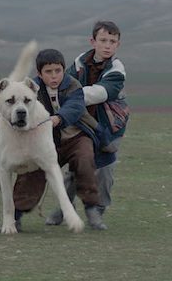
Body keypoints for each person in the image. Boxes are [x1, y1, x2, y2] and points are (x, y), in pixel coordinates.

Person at [13, 48, 116, 231]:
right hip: (45, 141)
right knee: (31, 171)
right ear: (39, 73)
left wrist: (58, 118)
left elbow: (75, 107)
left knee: (85, 160)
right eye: (48, 72)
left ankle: (92, 209)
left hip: (75, 137)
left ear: (63, 70)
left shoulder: (73, 85)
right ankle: (17, 214)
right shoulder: (30, 90)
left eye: (58, 71)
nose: (54, 76)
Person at [45, 20, 129, 228]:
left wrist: (67, 96)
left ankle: (98, 211)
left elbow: (100, 93)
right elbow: (65, 81)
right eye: (103, 40)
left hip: (109, 126)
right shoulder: (81, 62)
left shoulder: (117, 70)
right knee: (76, 166)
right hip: (83, 124)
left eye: (112, 41)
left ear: (118, 44)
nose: (107, 45)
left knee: (104, 169)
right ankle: (65, 209)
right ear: (93, 41)